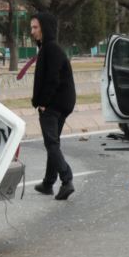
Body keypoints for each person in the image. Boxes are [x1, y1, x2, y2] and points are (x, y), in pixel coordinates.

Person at [30, 12, 76, 200]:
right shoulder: (48, 48)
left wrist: (43, 103)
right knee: (53, 142)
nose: (32, 31)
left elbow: (52, 79)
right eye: (31, 27)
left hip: (54, 104)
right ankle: (48, 183)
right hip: (62, 102)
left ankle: (67, 179)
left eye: (35, 27)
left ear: (44, 28)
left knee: (51, 143)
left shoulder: (51, 49)